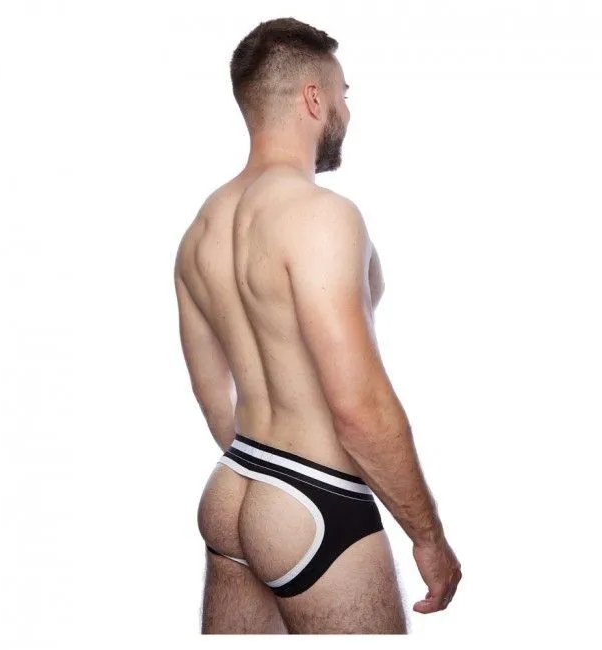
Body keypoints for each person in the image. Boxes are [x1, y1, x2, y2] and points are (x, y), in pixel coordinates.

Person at [173, 17, 462, 634]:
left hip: (234, 483)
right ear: (313, 97)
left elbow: (211, 394)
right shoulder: (321, 216)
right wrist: (428, 536)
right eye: (342, 94)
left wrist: (263, 483)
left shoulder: (200, 230)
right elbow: (359, 404)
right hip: (314, 498)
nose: (346, 110)